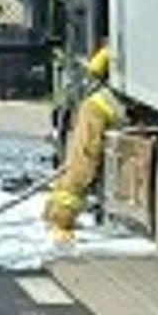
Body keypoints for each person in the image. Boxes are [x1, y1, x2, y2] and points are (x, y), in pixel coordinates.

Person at [44, 46, 125, 244]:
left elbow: (96, 68)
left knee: (82, 158)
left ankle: (61, 218)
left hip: (118, 106)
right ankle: (59, 217)